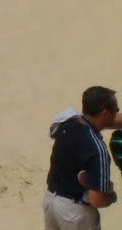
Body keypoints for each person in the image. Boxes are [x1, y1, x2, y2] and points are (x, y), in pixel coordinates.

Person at [44, 86, 119, 229]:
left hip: (51, 203)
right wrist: (111, 196)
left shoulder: (68, 120)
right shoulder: (98, 150)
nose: (117, 114)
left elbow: (114, 121)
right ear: (104, 113)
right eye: (115, 111)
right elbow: (97, 200)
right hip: (75, 215)